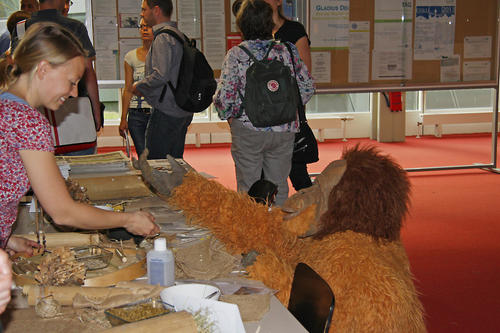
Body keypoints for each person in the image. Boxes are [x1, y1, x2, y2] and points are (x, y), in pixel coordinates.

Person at [0, 22, 159, 256]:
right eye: (72, 82)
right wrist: (128, 220)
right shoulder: (28, 122)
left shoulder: (7, 104)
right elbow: (62, 212)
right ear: (43, 69)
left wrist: (7, 238)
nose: (75, 93)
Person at [213, 0, 314, 206]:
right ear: (270, 24)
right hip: (284, 129)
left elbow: (224, 99)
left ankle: (252, 234)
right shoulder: (287, 50)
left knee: (248, 188)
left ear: (242, 25)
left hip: (248, 129)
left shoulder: (236, 55)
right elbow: (307, 89)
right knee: (280, 186)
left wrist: (231, 118)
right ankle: (278, 232)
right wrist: (287, 112)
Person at [12, 0, 103, 155]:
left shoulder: (21, 28)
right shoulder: (75, 27)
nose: (73, 91)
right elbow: (88, 71)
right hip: (74, 120)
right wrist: (96, 110)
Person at [132, 0, 194, 160]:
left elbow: (161, 74)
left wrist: (139, 85)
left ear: (156, 10)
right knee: (174, 162)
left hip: (167, 111)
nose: (141, 14)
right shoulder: (179, 35)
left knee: (156, 164)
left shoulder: (162, 38)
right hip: (182, 109)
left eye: (144, 9)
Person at [265, 0, 314, 191]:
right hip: (264, 115)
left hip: (289, 113)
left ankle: (313, 214)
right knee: (264, 176)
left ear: (278, 2)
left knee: (297, 172)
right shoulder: (256, 32)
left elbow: (305, 77)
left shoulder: (294, 30)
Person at [119, 19, 153, 158]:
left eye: (148, 26)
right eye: (142, 26)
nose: (144, 29)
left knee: (156, 155)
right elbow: (128, 89)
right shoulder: (130, 56)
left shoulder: (162, 55)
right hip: (136, 114)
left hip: (156, 113)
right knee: (143, 155)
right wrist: (123, 118)